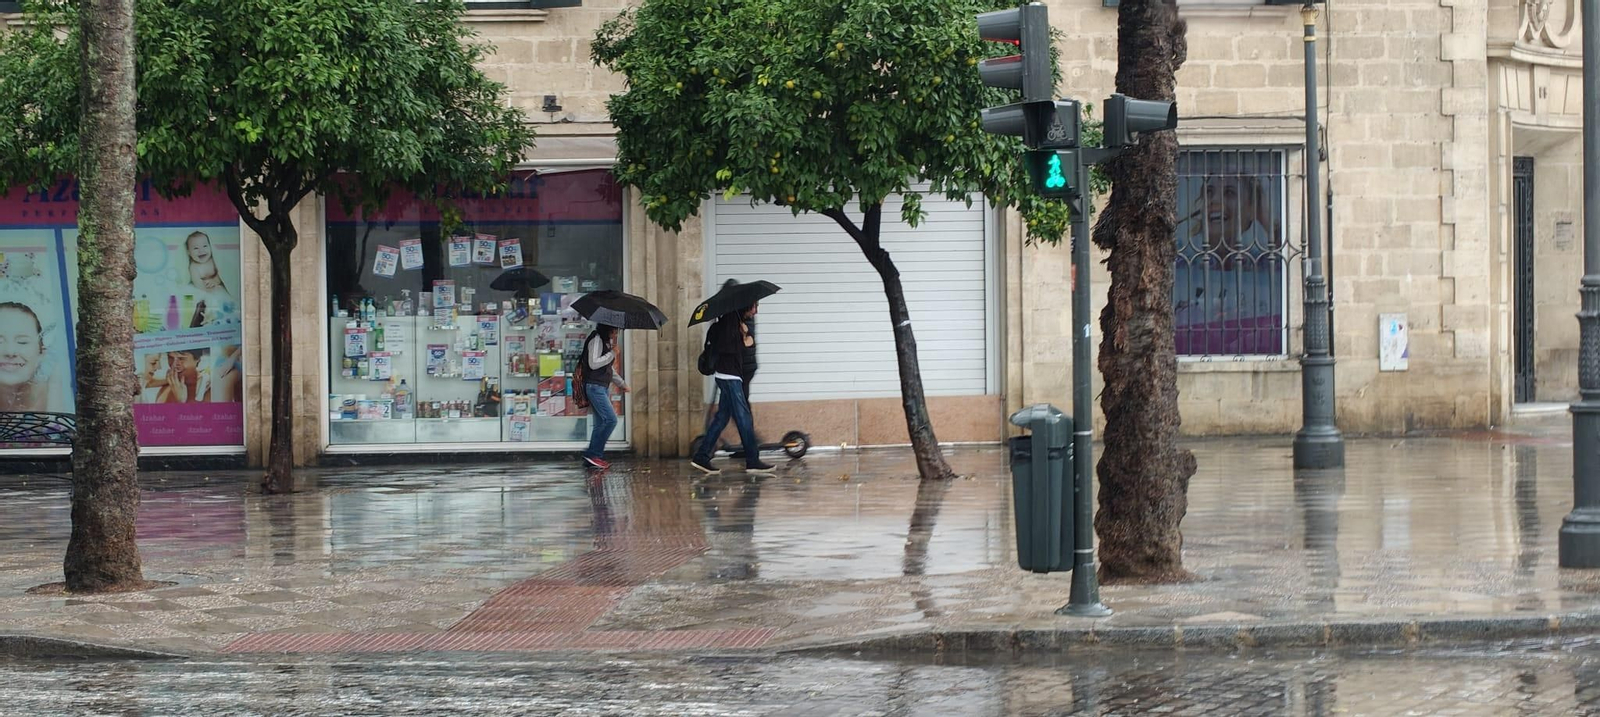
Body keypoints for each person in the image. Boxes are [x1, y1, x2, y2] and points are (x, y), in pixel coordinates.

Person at [692, 304, 773, 475]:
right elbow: (737, 348)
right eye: (754, 307)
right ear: (744, 307)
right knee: (743, 418)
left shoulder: (730, 324)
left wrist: (743, 334)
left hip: (727, 377)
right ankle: (752, 461)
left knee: (721, 418)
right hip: (730, 378)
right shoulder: (729, 327)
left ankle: (702, 456)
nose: (756, 311)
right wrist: (743, 336)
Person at [581, 324, 629, 470]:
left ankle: (592, 457)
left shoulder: (604, 342)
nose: (616, 334)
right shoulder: (596, 339)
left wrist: (621, 384)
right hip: (595, 387)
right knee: (610, 420)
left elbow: (608, 369)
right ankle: (594, 454)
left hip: (600, 387)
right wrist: (612, 353)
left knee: (600, 423)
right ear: (608, 328)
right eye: (615, 331)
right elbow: (594, 363)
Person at [0, 302, 64, 412]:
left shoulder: (64, 393)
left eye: (22, 342)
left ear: (41, 353)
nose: (10, 351)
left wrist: (56, 385)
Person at [142, 348, 212, 403]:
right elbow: (146, 383)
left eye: (181, 358)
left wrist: (182, 401)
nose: (174, 365)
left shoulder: (206, 387)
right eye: (170, 358)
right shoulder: (170, 382)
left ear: (197, 360)